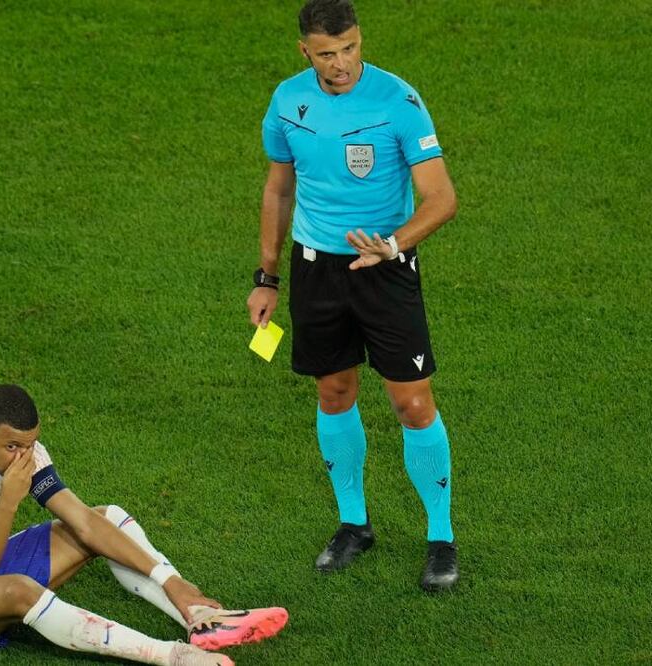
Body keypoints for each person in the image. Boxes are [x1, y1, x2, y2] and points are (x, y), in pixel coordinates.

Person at [246, 0, 459, 592]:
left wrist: (393, 245)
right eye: (328, 53)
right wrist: (267, 278)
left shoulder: (398, 101)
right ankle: (354, 525)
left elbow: (441, 198)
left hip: (385, 271)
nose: (342, 64)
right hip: (317, 271)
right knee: (335, 391)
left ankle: (440, 537)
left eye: (351, 48)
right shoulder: (288, 101)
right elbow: (278, 189)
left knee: (412, 404)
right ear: (305, 52)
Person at [0, 384, 288, 664]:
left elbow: (82, 521)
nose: (24, 456)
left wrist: (170, 580)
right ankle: (171, 656)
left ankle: (200, 618)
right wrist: (8, 501)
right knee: (19, 590)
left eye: (30, 444)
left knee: (104, 518)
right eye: (12, 447)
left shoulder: (20, 449)